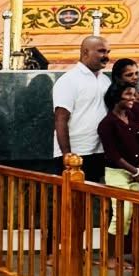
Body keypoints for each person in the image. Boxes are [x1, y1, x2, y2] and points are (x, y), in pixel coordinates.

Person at [51, 35, 111, 181]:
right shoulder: (69, 80)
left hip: (101, 151)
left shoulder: (106, 80)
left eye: (108, 52)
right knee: (72, 195)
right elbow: (60, 119)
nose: (106, 56)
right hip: (76, 154)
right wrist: (67, 155)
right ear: (85, 52)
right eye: (101, 51)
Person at [99, 82, 139, 234]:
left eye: (134, 94)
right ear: (115, 97)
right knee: (122, 214)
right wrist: (135, 171)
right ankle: (112, 249)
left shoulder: (133, 116)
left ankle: (126, 248)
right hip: (118, 173)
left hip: (138, 172)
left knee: (133, 215)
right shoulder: (107, 124)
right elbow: (113, 155)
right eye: (128, 94)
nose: (132, 98)